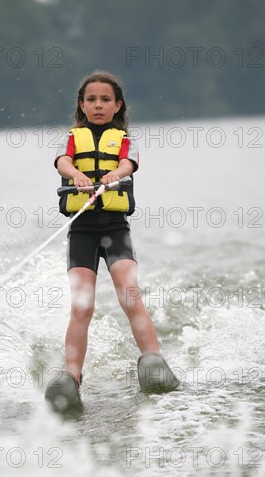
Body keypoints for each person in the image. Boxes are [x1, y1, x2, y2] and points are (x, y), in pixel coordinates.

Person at [45, 71, 179, 413]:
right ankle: (71, 378)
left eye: (105, 100)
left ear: (117, 105)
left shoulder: (125, 139)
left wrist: (114, 175)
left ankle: (152, 360)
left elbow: (128, 164)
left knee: (129, 293)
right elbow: (62, 162)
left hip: (116, 228)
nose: (98, 105)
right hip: (82, 230)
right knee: (81, 306)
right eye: (91, 99)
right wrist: (75, 174)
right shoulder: (72, 139)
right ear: (82, 105)